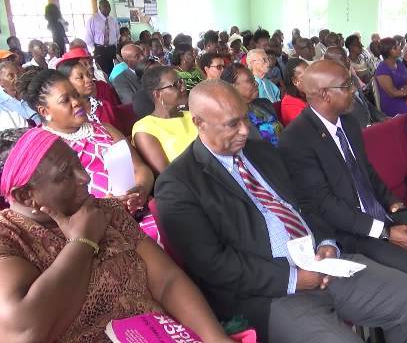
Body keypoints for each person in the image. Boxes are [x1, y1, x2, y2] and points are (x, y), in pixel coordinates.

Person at [155, 78, 407, 342]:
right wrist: (294, 279)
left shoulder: (261, 152)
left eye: (245, 117)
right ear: (198, 123)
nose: (244, 130)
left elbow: (305, 204)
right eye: (232, 124)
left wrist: (326, 241)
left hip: (322, 264)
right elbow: (213, 265)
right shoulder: (179, 184)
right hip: (268, 294)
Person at [278, 59, 407, 343]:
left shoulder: (349, 122)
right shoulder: (297, 139)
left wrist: (395, 206)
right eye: (347, 85)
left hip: (381, 216)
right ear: (324, 94)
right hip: (350, 233)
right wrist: (386, 232)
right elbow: (325, 205)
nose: (355, 89)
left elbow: (367, 174)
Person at [0, 127, 234, 342]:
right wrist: (82, 242)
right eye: (65, 174)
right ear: (24, 196)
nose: (85, 178)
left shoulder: (105, 210)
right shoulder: (8, 237)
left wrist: (216, 339)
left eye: (77, 164)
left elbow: (167, 281)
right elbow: (23, 330)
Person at [24, 69, 160, 244]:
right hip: (95, 228)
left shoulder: (106, 129)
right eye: (65, 100)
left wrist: (140, 190)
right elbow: (55, 206)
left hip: (137, 209)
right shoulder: (46, 149)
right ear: (44, 111)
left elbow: (141, 169)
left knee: (172, 225)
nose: (76, 102)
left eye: (75, 95)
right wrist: (106, 205)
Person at [132, 66, 195, 175]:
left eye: (182, 82)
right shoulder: (145, 129)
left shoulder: (192, 114)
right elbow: (168, 176)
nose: (184, 87)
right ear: (157, 94)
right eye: (176, 85)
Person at [324, 47, 387, 128]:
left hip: (368, 126)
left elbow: (365, 103)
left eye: (346, 57)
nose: (347, 61)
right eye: (342, 59)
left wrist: (382, 118)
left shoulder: (353, 79)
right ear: (329, 64)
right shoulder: (331, 89)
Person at [221, 63, 283, 145]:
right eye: (250, 80)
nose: (256, 83)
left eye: (254, 79)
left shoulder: (264, 103)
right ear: (233, 87)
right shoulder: (232, 121)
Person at [56, 58, 118, 128]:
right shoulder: (66, 116)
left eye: (88, 75)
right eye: (80, 77)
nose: (88, 80)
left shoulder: (103, 106)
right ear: (66, 82)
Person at [374, 37, 407, 116]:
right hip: (391, 103)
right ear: (387, 52)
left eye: (398, 46)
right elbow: (393, 93)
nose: (399, 48)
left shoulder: (399, 63)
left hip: (404, 97)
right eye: (395, 48)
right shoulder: (382, 69)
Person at [85, 0, 119, 76]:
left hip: (111, 49)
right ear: (100, 8)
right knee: (102, 72)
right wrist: (94, 49)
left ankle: (113, 86)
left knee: (114, 71)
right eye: (105, 6)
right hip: (100, 49)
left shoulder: (113, 20)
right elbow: (88, 37)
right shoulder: (93, 19)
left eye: (109, 6)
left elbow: (117, 35)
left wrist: (115, 47)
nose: (108, 8)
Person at [280, 58, 309, 126]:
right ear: (294, 81)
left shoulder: (308, 92)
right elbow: (308, 126)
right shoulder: (289, 102)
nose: (312, 76)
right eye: (306, 75)